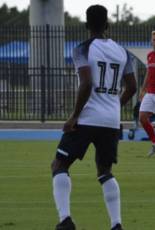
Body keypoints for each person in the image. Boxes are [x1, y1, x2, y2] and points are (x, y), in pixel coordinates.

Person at [51, 5, 136, 230]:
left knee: (59, 164)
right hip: (110, 120)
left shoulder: (82, 49)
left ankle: (65, 220)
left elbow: (86, 83)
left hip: (87, 119)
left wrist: (74, 117)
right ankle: (116, 224)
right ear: (107, 24)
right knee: (105, 172)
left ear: (86, 24)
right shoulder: (123, 52)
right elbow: (132, 87)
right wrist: (114, 107)